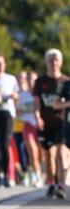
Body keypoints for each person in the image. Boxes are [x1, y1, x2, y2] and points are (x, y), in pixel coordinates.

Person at [33, 48, 68, 198]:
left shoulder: (66, 82)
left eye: (56, 60)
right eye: (51, 60)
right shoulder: (40, 82)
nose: (53, 63)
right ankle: (52, 183)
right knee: (49, 154)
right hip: (46, 122)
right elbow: (36, 103)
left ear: (61, 62)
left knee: (61, 152)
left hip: (62, 122)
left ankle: (61, 184)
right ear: (46, 62)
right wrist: (37, 117)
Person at [0, 55, 19, 187]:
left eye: (1, 63)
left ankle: (7, 175)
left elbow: (17, 95)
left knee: (4, 144)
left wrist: (13, 95)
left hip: (7, 114)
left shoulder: (10, 79)